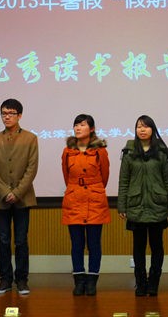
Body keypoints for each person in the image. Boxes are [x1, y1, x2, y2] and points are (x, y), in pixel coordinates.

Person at [118, 115, 168, 297]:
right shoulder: (129, 152)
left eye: (145, 126)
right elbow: (124, 181)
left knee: (157, 246)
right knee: (138, 247)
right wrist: (122, 206)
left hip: (157, 205)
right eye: (138, 127)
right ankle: (141, 283)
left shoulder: (161, 151)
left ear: (153, 129)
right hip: (136, 205)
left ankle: (154, 282)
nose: (142, 130)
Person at [0, 99, 39, 295]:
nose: (7, 116)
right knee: (3, 240)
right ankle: (5, 280)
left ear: (20, 115)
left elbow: (31, 168)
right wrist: (4, 192)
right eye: (4, 113)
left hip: (23, 198)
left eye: (11, 113)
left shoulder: (30, 138)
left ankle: (22, 280)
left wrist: (16, 193)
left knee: (21, 240)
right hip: (0, 199)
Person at [61, 114, 110, 296]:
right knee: (77, 244)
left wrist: (92, 190)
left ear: (92, 129)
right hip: (74, 200)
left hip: (95, 201)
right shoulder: (67, 151)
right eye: (76, 125)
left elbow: (104, 177)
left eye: (82, 124)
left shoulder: (100, 151)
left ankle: (92, 281)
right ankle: (79, 279)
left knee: (94, 243)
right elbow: (67, 177)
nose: (78, 128)